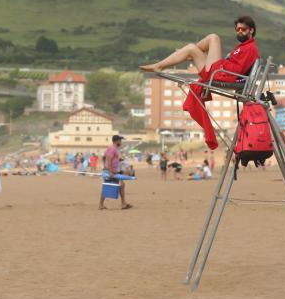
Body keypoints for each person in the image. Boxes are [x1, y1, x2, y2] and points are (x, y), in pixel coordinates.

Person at [140, 16, 260, 150]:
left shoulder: (250, 48)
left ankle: (171, 61)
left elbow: (238, 70)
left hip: (221, 74)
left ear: (251, 30)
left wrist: (223, 68)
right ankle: (186, 55)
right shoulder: (244, 47)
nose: (239, 31)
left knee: (199, 44)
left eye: (243, 29)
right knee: (210, 39)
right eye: (237, 29)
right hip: (221, 70)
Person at [99, 135, 132, 210]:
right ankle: (122, 204)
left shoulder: (113, 149)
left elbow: (105, 158)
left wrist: (118, 161)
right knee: (108, 186)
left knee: (120, 185)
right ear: (116, 141)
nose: (121, 142)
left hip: (112, 170)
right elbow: (109, 159)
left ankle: (123, 203)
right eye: (120, 140)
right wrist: (110, 171)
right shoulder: (112, 148)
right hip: (111, 171)